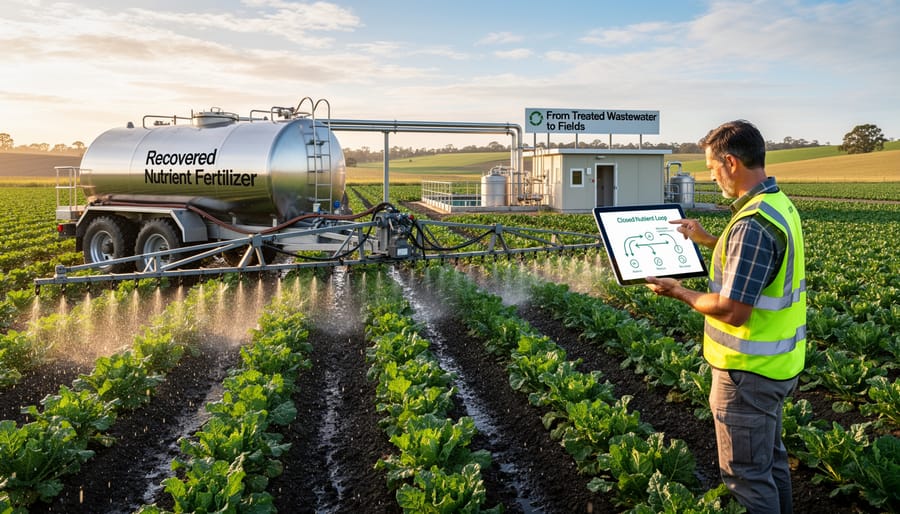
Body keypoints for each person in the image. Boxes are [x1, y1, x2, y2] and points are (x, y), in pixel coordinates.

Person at [646, 120, 806, 514]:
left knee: (746, 476)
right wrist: (707, 239)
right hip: (777, 366)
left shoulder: (751, 223)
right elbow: (755, 260)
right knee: (770, 463)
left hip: (747, 374)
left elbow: (733, 311)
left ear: (731, 162)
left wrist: (678, 291)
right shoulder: (776, 206)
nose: (711, 176)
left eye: (712, 167)